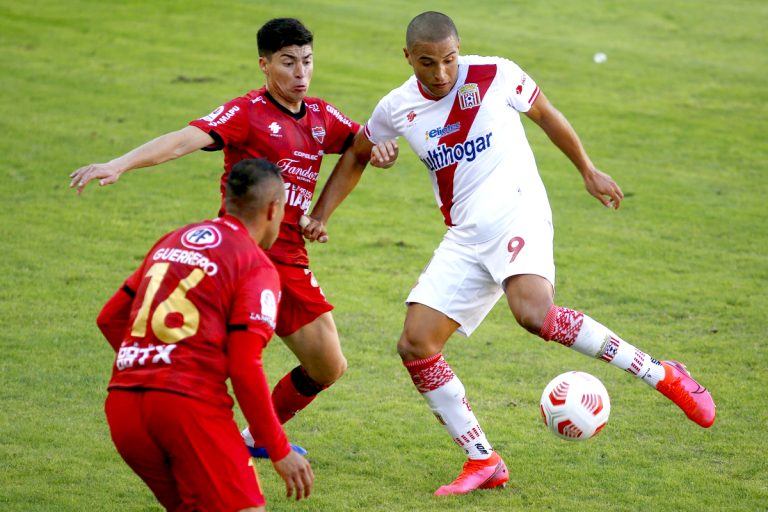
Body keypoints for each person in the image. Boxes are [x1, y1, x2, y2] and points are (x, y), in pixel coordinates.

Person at [307, 11, 716, 496]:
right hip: (465, 235)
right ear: (408, 58)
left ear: (460, 50)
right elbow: (357, 152)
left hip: (518, 210)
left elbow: (545, 114)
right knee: (416, 344)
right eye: (427, 63)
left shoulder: (495, 73)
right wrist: (320, 215)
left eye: (449, 59)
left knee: (534, 314)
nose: (440, 73)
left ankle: (662, 374)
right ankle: (483, 460)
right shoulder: (396, 108)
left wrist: (587, 169)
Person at [70, 17, 395, 458]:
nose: (300, 74)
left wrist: (354, 177)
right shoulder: (247, 112)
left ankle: (251, 439)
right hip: (239, 254)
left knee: (328, 366)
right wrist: (120, 164)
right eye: (288, 63)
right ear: (264, 65)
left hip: (290, 257)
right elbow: (184, 140)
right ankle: (183, 412)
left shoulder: (321, 116)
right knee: (228, 357)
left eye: (307, 61)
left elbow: (361, 145)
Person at [96, 159, 313, 511]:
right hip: (187, 407)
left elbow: (110, 318)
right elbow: (244, 365)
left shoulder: (173, 239)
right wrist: (279, 449)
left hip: (123, 407)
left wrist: (152, 362)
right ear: (274, 209)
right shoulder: (255, 265)